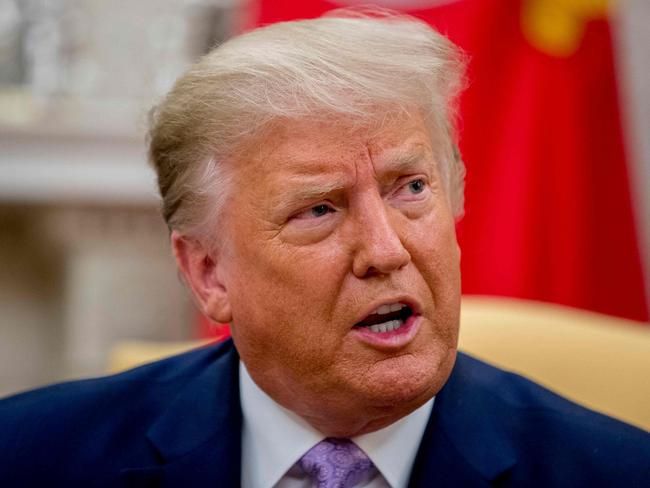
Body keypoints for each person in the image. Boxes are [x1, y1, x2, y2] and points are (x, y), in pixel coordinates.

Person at [1, 10, 649, 488]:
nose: (386, 249)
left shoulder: (614, 473)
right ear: (208, 272)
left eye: (411, 188)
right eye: (319, 209)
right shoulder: (31, 458)